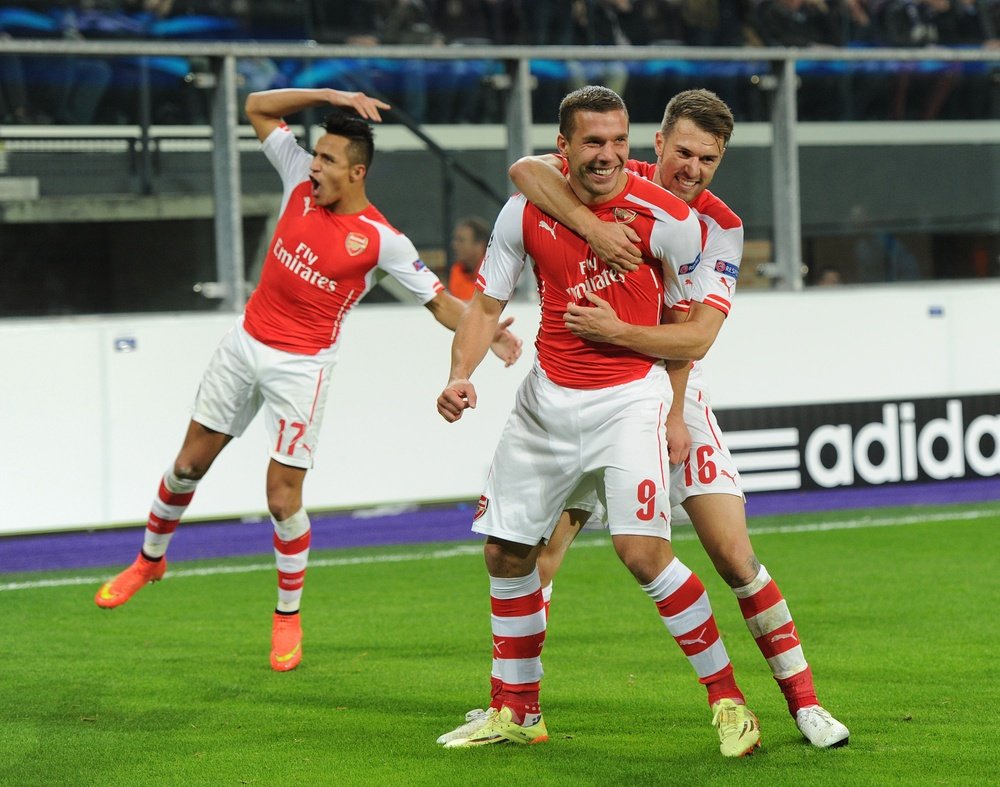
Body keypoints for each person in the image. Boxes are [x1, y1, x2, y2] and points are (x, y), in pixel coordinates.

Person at [93, 86, 523, 673]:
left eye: (326, 159)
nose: (312, 164)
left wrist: (486, 330)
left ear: (356, 172)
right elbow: (256, 107)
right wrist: (328, 94)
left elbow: (441, 302)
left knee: (280, 496)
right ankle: (150, 560)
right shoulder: (297, 177)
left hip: (303, 368)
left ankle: (287, 616)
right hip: (245, 345)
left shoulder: (381, 240)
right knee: (188, 464)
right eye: (313, 154)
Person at [501, 88, 850, 749]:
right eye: (683, 152)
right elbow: (523, 170)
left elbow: (693, 340)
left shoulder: (720, 226)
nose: (692, 169)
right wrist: (592, 224)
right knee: (542, 554)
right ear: (657, 145)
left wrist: (657, 385)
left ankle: (804, 703)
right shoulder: (612, 176)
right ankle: (519, 707)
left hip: (670, 394)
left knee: (733, 552)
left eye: (708, 160)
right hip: (588, 391)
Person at [435, 85, 761, 756]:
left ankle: (730, 701)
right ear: (566, 148)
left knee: (642, 553)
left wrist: (673, 408)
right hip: (546, 398)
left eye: (618, 140)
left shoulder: (669, 221)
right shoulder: (526, 212)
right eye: (593, 142)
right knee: (506, 551)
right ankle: (517, 708)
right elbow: (485, 304)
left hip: (627, 400)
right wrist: (461, 374)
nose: (609, 154)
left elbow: (687, 327)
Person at [447, 215, 490, 300]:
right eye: (455, 240)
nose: (454, 245)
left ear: (479, 245)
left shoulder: (495, 272)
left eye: (461, 240)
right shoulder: (457, 270)